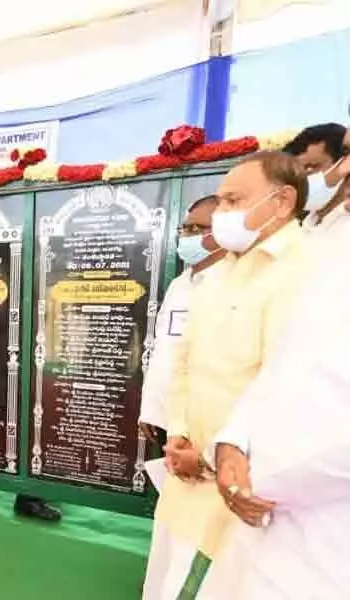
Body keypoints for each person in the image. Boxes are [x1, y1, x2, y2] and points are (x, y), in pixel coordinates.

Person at [143, 151, 309, 600]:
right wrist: (177, 433)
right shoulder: (219, 273)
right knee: (167, 581)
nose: (222, 213)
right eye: (221, 201)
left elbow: (290, 389)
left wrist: (216, 458)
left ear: (281, 201)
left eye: (233, 199)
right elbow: (185, 361)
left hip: (238, 488)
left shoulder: (306, 272)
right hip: (186, 476)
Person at [196, 201, 350, 598]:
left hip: (325, 536)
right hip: (257, 525)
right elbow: (277, 371)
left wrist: (253, 484)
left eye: (233, 199)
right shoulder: (330, 257)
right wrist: (230, 448)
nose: (346, 170)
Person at [138, 195, 225, 444]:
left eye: (196, 228)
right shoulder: (180, 285)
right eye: (184, 228)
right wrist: (151, 409)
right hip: (167, 419)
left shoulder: (233, 282)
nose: (187, 235)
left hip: (207, 424)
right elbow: (162, 350)